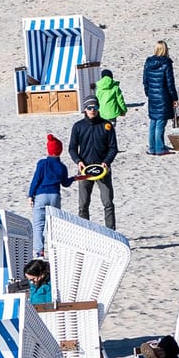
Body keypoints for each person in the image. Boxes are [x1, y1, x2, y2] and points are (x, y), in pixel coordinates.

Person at [67, 97, 118, 229]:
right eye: (89, 107)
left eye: (95, 107)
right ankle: (86, 233)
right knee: (83, 205)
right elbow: (72, 148)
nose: (92, 110)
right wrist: (78, 161)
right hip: (84, 171)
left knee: (108, 203)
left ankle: (111, 233)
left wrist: (106, 162)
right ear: (85, 109)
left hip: (103, 170)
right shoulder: (78, 126)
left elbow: (113, 148)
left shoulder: (106, 126)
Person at [26, 134, 72, 253]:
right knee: (53, 224)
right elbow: (65, 183)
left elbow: (36, 180)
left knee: (38, 225)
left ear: (49, 150)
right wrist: (74, 178)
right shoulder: (62, 167)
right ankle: (54, 250)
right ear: (60, 151)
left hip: (41, 195)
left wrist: (31, 195)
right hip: (55, 196)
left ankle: (39, 251)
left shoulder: (42, 163)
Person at [142, 42, 179, 155]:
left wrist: (148, 93)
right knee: (160, 123)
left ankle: (152, 147)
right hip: (163, 95)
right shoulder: (166, 63)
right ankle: (160, 148)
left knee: (153, 121)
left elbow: (145, 80)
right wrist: (174, 98)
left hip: (153, 95)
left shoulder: (148, 62)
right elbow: (170, 82)